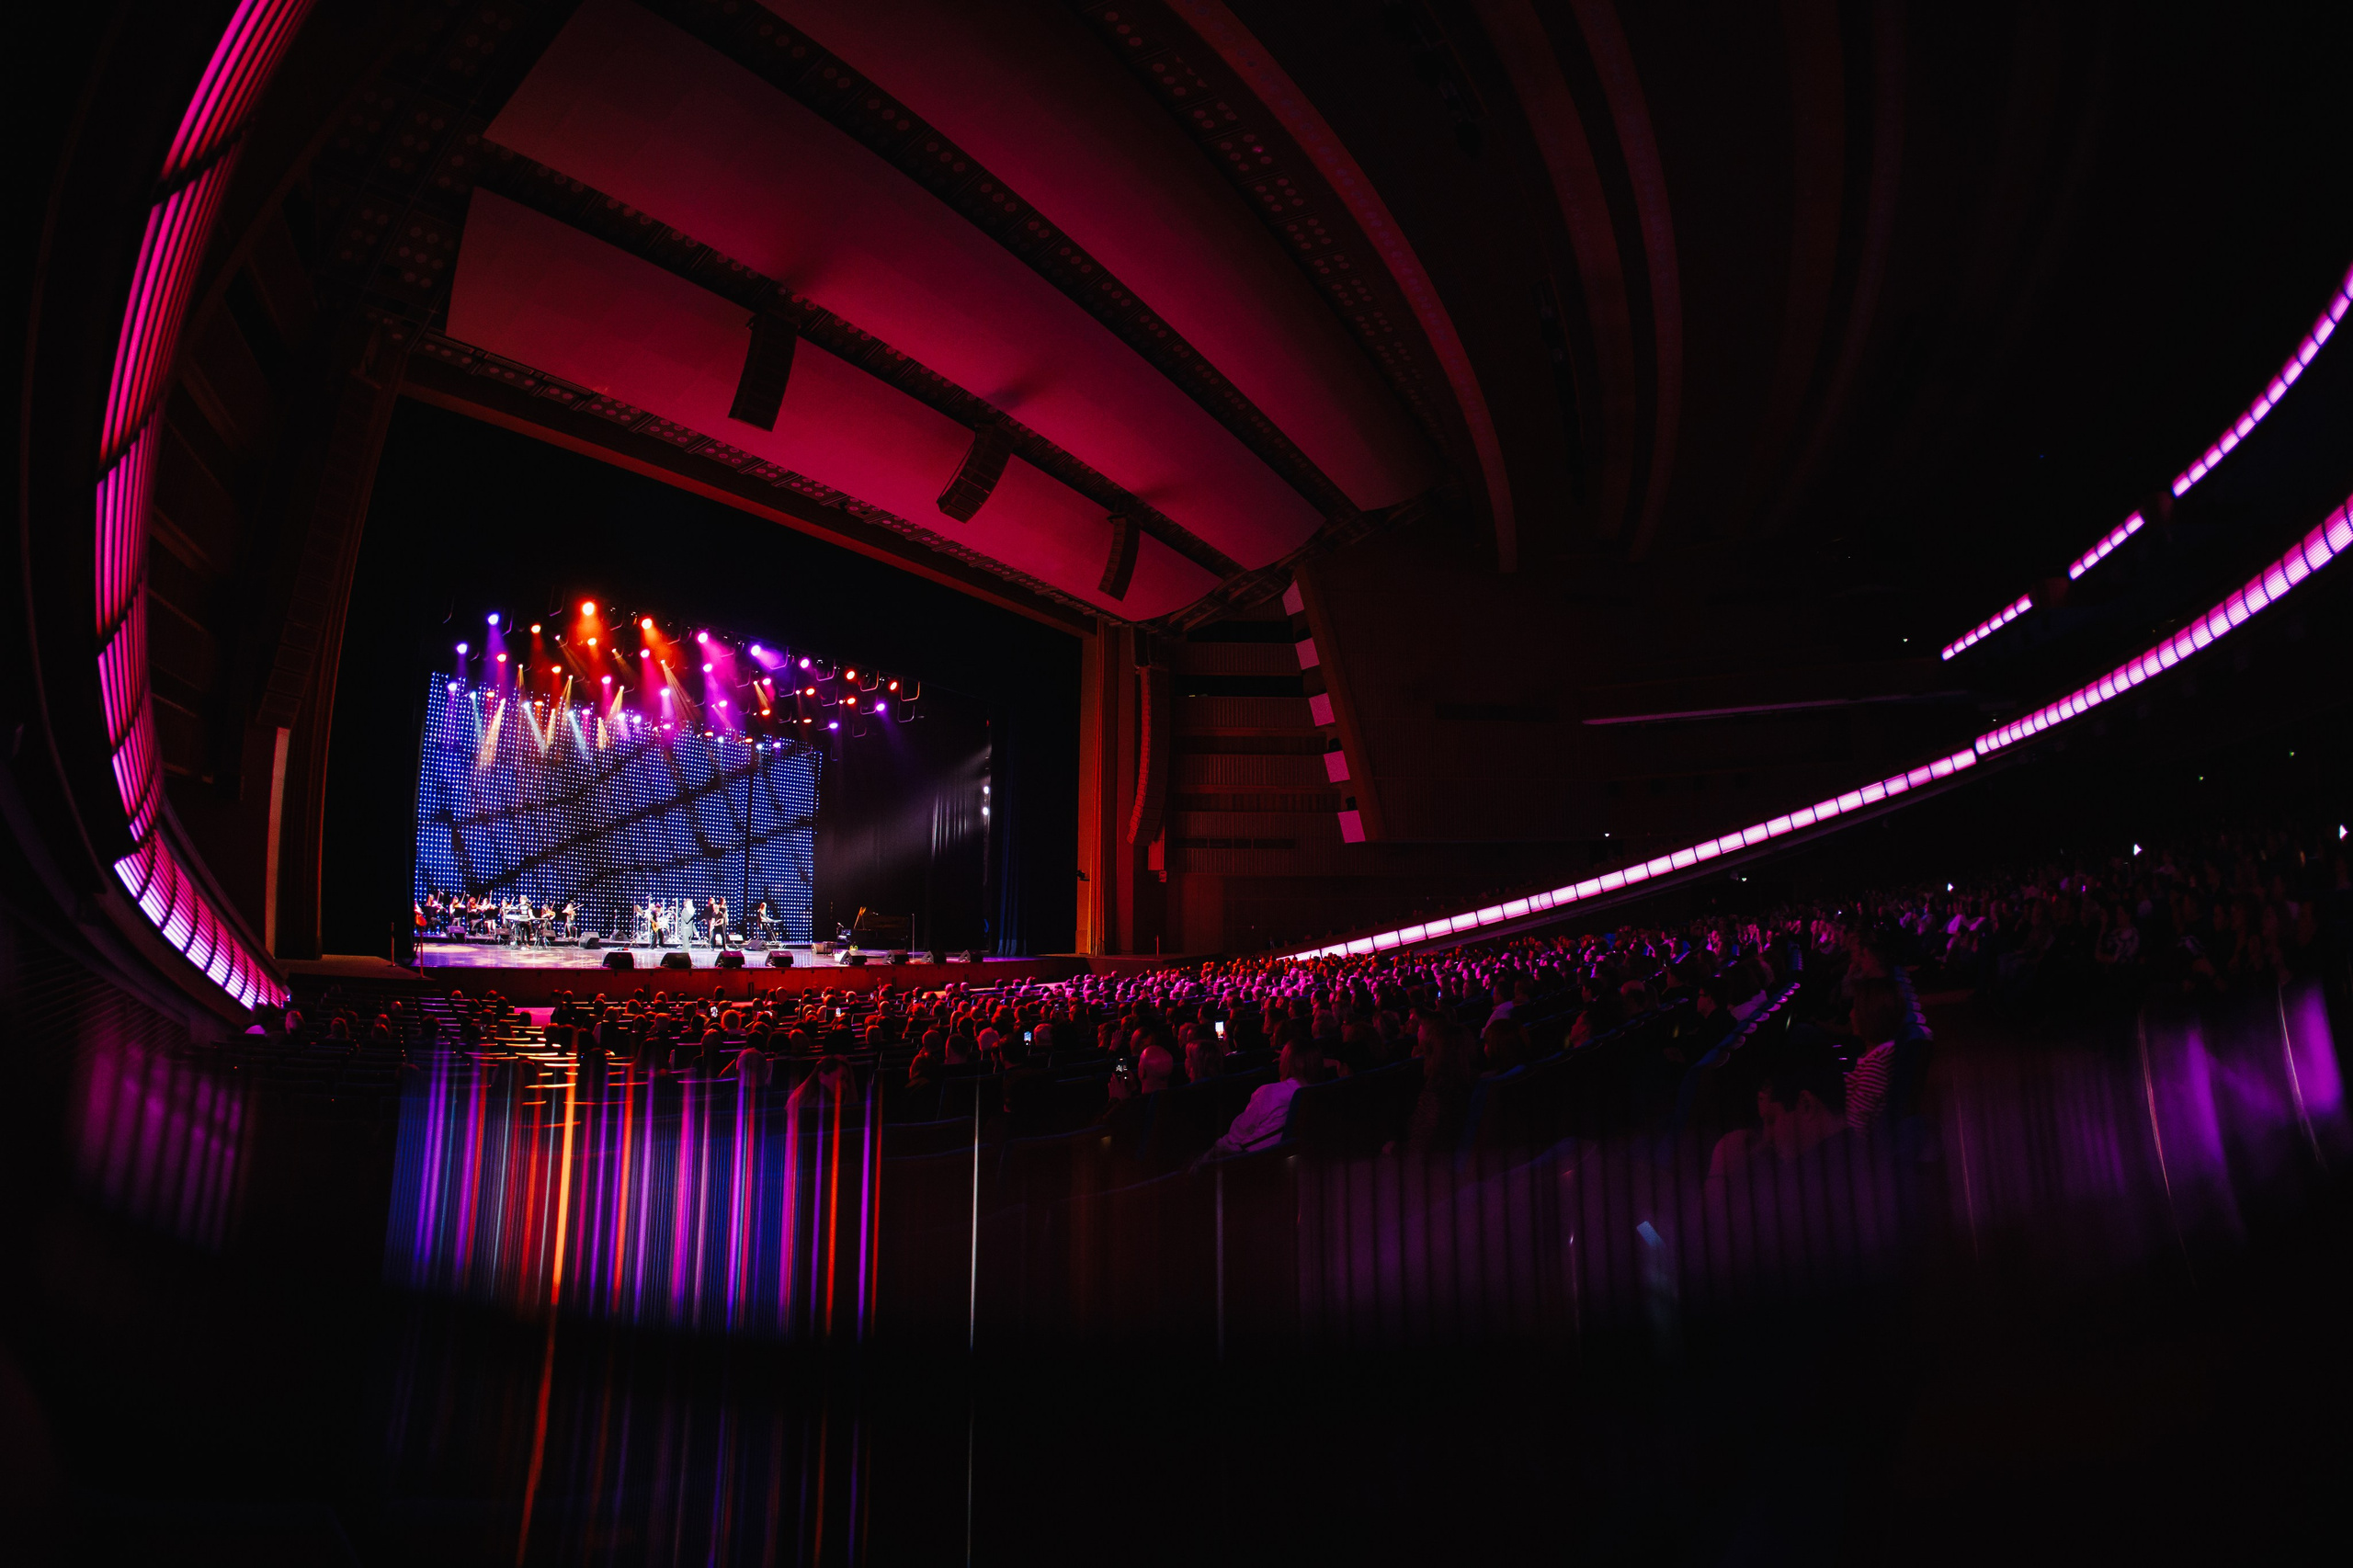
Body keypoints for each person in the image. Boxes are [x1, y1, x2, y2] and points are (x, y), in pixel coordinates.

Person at [1207, 1034, 1324, 1157]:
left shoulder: (1270, 1093)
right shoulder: (1322, 1092)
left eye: (1283, 1058)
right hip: (1291, 1158)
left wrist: (1212, 1153)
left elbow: (1238, 1133)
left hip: (1252, 1160)